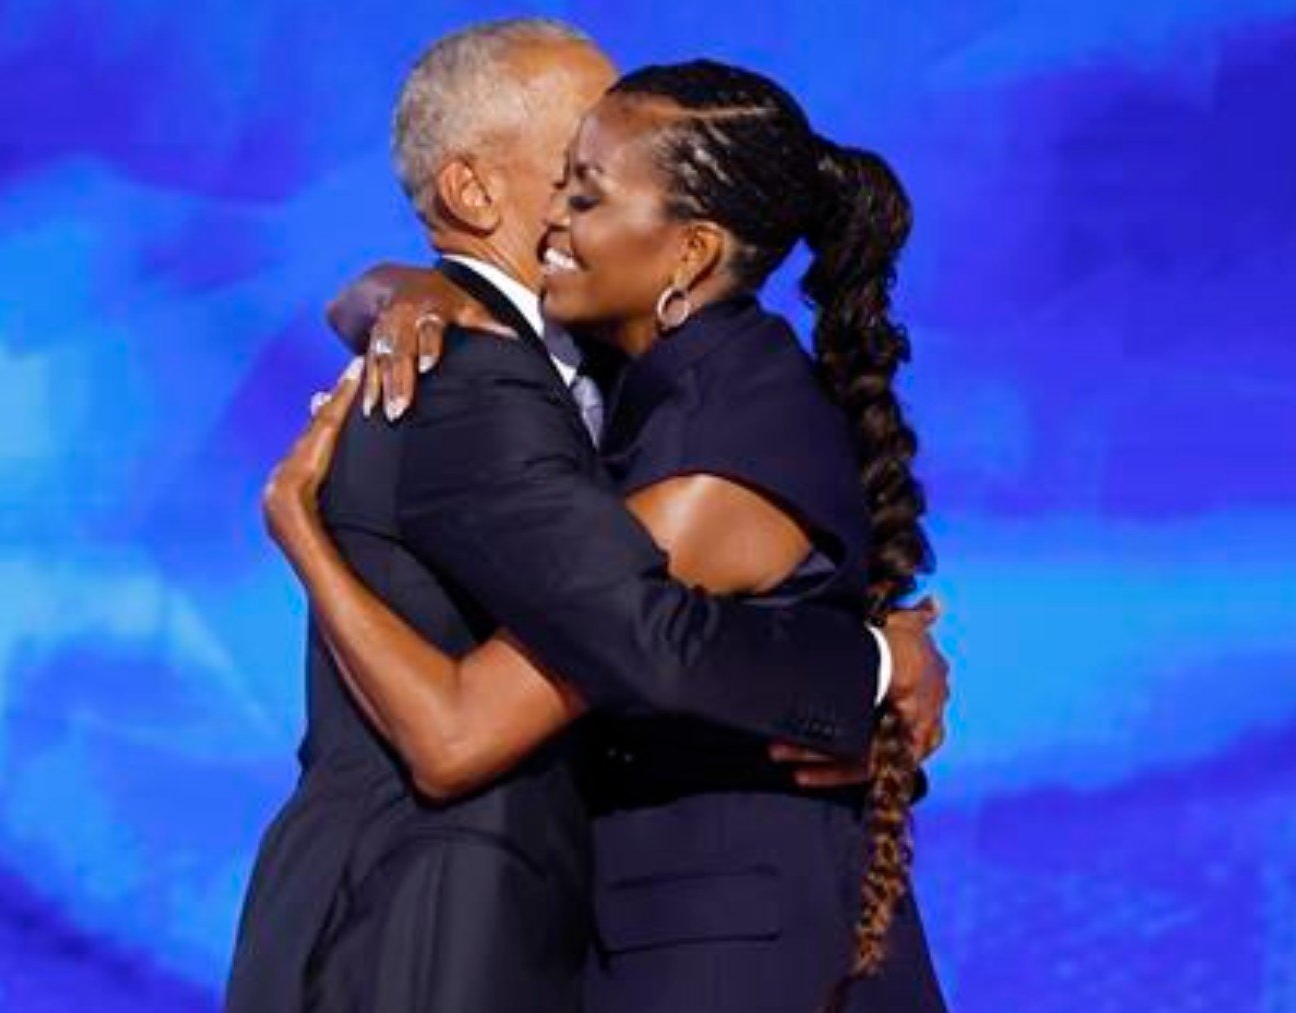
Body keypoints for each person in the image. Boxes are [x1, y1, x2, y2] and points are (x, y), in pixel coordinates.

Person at [228, 20, 949, 1013]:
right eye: (571, 164)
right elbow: (574, 667)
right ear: (475, 192)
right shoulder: (502, 375)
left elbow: (574, 668)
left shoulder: (703, 416)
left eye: (596, 180)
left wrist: (874, 668)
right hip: (467, 920)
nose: (570, 207)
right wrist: (875, 665)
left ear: (690, 249)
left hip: (720, 949)